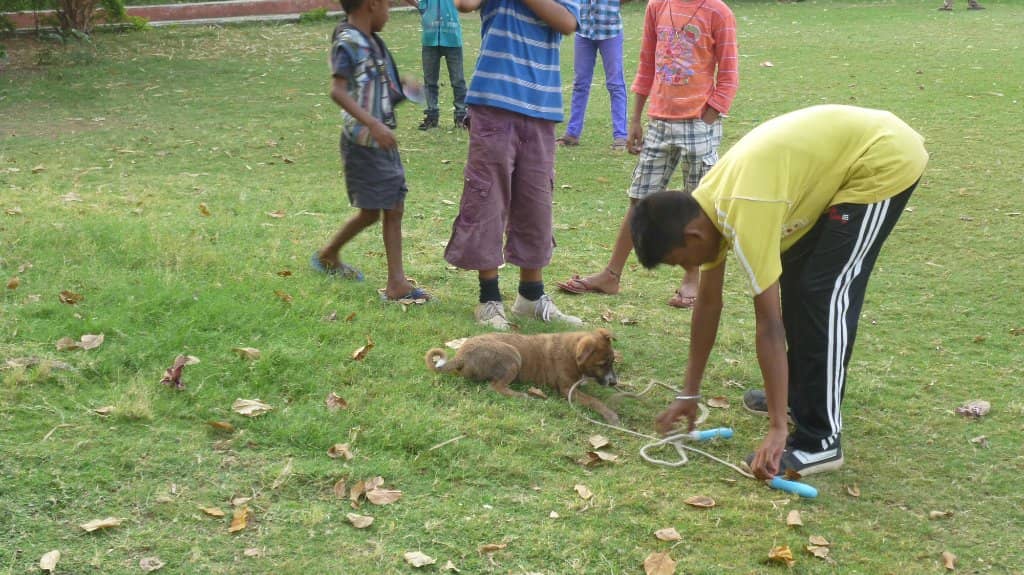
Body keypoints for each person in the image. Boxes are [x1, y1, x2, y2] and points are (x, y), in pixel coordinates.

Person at [632, 105, 929, 479]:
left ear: (692, 237)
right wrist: (689, 393)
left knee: (824, 292)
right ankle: (797, 396)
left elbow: (769, 325)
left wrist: (776, 429)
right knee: (797, 283)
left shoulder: (743, 209)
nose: (686, 270)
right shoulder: (705, 209)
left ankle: (821, 441)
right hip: (835, 171)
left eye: (680, 262)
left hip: (882, 160)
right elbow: (708, 305)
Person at [556, 0, 738, 311]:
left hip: (698, 123)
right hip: (659, 120)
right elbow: (647, 65)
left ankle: (692, 278)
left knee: (697, 204)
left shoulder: (718, 12)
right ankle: (611, 274)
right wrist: (636, 118)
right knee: (639, 199)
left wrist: (710, 113)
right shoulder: (657, 6)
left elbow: (729, 73)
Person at [444, 0, 582, 330]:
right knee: (487, 199)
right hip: (493, 105)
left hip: (541, 109)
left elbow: (567, 22)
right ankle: (489, 299)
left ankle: (531, 296)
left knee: (536, 204)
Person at [311, 0, 432, 302]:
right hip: (364, 142)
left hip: (379, 139)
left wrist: (403, 90)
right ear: (372, 4)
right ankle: (396, 284)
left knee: (375, 212)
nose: (389, 13)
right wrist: (374, 125)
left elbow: (374, 92)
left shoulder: (373, 43)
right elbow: (337, 91)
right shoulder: (348, 42)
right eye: (388, 6)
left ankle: (329, 254)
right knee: (390, 208)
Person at [556, 0, 627, 151]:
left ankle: (621, 136)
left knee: (615, 85)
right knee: (580, 84)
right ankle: (572, 134)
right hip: (584, 31)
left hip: (610, 30)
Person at [403, 0, 469, 130]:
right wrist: (420, 5)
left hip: (452, 37)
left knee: (458, 81)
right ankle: (432, 116)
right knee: (430, 82)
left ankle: (461, 116)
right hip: (430, 37)